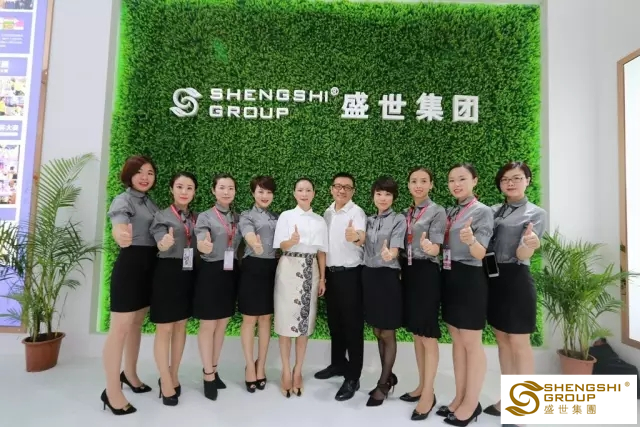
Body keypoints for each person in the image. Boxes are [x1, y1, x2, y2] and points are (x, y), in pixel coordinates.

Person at [483, 162, 546, 418]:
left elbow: (522, 254)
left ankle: (523, 411)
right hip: (492, 278)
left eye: (517, 178)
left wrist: (530, 245)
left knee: (519, 342)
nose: (510, 183)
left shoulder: (535, 213)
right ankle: (508, 400)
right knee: (502, 340)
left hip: (517, 279)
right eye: (505, 179)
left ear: (527, 180)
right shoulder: (492, 210)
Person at [101, 155, 159, 415]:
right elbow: (119, 225)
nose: (145, 177)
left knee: (136, 323)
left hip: (149, 268)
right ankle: (111, 390)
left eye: (150, 173)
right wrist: (120, 235)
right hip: (130, 267)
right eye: (139, 172)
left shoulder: (150, 202)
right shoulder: (122, 200)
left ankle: (130, 375)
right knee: (120, 329)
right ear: (129, 175)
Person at [436, 163, 494, 426]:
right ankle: (459, 397)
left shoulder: (482, 211)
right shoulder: (451, 211)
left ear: (475, 181)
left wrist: (471, 240)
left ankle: (472, 404)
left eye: (462, 179)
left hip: (471, 278)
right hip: (450, 275)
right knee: (457, 340)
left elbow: (481, 253)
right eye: (451, 180)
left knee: (471, 342)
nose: (456, 184)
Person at [273, 178, 328, 398]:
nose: (304, 193)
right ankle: (286, 370)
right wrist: (292, 240)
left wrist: (322, 279)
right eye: (300, 190)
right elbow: (281, 246)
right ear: (294, 193)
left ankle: (298, 371)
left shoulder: (320, 220)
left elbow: (322, 252)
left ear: (314, 193)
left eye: (308, 190)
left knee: (304, 324)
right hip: (288, 267)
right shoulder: (286, 216)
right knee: (285, 321)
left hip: (310, 269)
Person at [399, 167, 446, 420]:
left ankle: (429, 393)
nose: (418, 185)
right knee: (417, 334)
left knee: (427, 335)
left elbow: (437, 247)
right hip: (408, 272)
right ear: (408, 185)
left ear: (431, 185)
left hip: (427, 272)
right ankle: (420, 385)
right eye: (414, 181)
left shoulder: (437, 211)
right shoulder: (407, 213)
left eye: (424, 181)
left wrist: (431, 247)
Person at [315, 172, 367, 401]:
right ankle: (338, 364)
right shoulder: (326, 214)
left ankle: (353, 376)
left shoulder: (357, 212)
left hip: (350, 275)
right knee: (335, 324)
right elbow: (322, 248)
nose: (342, 190)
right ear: (331, 189)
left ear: (353, 191)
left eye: (347, 187)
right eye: (338, 186)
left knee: (352, 327)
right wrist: (322, 277)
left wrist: (355, 236)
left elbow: (361, 237)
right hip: (331, 276)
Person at [148, 172, 199, 406]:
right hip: (167, 273)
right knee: (165, 328)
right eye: (179, 186)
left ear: (194, 192)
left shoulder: (195, 218)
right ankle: (165, 379)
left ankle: (174, 374)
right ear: (171, 189)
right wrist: (164, 242)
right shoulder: (162, 216)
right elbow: (160, 240)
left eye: (189, 188)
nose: (184, 192)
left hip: (188, 274)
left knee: (181, 326)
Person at [193, 173, 242, 401]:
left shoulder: (237, 217)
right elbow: (201, 239)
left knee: (222, 324)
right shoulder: (205, 216)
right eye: (222, 187)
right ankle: (207, 374)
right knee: (208, 325)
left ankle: (214, 367)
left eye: (230, 188)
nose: (226, 192)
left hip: (230, 273)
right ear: (213, 190)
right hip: (211, 273)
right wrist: (203, 245)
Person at [361, 176, 407, 407]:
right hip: (369, 277)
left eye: (388, 194)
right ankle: (387, 376)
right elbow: (360, 241)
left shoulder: (398, 219)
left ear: (394, 197)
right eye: (379, 193)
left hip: (388, 277)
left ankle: (383, 383)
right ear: (373, 196)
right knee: (377, 330)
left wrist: (391, 254)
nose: (383, 198)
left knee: (387, 332)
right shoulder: (368, 220)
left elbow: (395, 247)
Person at [238, 176, 279, 393]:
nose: (265, 196)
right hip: (252, 268)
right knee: (249, 319)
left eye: (269, 192)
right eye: (260, 191)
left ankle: (260, 365)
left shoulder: (277, 217)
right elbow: (248, 233)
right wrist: (255, 243)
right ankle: (248, 365)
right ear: (253, 193)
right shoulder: (246, 215)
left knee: (265, 319)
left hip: (272, 269)